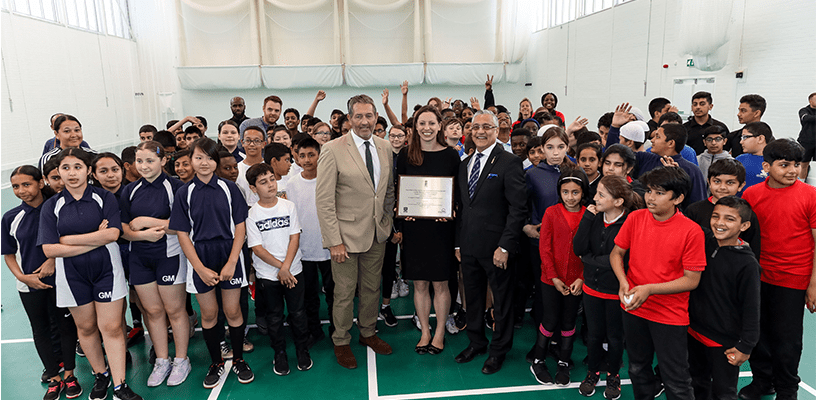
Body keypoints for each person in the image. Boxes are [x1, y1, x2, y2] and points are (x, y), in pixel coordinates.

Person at [38, 148, 143, 400]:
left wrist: (69, 240)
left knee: (112, 328)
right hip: (72, 276)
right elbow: (50, 248)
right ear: (59, 173)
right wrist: (95, 238)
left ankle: (120, 385)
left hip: (106, 270)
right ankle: (101, 375)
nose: (71, 173)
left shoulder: (104, 198)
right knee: (85, 328)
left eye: (77, 167)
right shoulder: (51, 206)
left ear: (87, 170)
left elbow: (112, 234)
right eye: (65, 168)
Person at [610, 166, 705, 400]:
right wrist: (623, 282)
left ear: (679, 198)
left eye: (660, 193)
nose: (650, 198)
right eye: (649, 191)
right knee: (637, 368)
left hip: (669, 315)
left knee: (676, 379)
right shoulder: (635, 217)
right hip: (634, 308)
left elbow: (692, 280)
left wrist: (650, 289)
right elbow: (616, 253)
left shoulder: (692, 232)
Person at [315, 94, 396, 369]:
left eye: (369, 116)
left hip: (377, 233)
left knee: (373, 288)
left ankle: (368, 332)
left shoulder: (385, 147)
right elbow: (324, 200)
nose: (364, 121)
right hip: (345, 238)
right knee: (345, 292)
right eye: (358, 116)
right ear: (349, 120)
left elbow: (387, 191)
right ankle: (341, 340)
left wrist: (387, 223)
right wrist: (334, 241)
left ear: (376, 118)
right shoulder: (333, 149)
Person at [168, 137, 254, 388]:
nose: (204, 163)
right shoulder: (184, 192)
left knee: (233, 310)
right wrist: (199, 268)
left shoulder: (230, 189)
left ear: (216, 161)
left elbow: (241, 228)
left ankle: (238, 359)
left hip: (229, 253)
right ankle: (216, 362)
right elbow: (182, 234)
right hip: (200, 256)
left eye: (209, 158)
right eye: (199, 158)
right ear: (191, 161)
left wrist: (231, 263)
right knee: (209, 313)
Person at [739, 138, 816, 400]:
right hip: (759, 276)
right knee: (758, 333)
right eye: (784, 165)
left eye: (796, 164)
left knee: (787, 340)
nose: (792, 170)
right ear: (767, 166)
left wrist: (813, 284)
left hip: (793, 278)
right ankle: (763, 381)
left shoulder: (810, 195)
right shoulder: (751, 195)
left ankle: (787, 388)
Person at [454, 110, 527, 375]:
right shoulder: (465, 164)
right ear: (470, 131)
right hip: (469, 247)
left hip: (498, 250)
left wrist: (505, 246)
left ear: (497, 130)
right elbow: (463, 209)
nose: (481, 132)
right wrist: (458, 244)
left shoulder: (509, 162)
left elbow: (518, 209)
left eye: (487, 126)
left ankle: (499, 351)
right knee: (472, 300)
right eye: (476, 127)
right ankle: (476, 343)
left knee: (501, 303)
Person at [3, 166, 81, 400]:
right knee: (41, 330)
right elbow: (9, 253)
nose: (21, 191)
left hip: (62, 280)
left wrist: (53, 260)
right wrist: (21, 276)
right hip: (29, 285)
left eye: (26, 184)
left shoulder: (58, 209)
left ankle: (69, 375)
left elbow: (68, 240)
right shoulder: (10, 217)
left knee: (66, 327)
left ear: (40, 183)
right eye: (16, 186)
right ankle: (54, 378)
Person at [119, 141, 191, 387]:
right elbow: (125, 229)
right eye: (140, 161)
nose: (144, 166)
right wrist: (142, 235)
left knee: (174, 310)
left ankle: (181, 359)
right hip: (140, 258)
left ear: (163, 161)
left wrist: (147, 221)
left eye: (150, 160)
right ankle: (162, 360)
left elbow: (181, 224)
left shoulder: (176, 188)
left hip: (169, 256)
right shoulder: (129, 191)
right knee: (153, 311)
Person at [397, 106, 460, 355]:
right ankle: (425, 330)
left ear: (439, 126)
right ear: (415, 127)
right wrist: (403, 210)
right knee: (420, 284)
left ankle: (440, 332)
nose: (426, 128)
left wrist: (452, 209)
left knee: (441, 284)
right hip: (414, 229)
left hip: (442, 230)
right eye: (421, 123)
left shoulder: (452, 156)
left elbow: (457, 195)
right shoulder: (404, 154)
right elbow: (399, 187)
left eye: (431, 123)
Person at [573, 175, 644, 399]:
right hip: (592, 290)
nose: (595, 198)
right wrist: (586, 218)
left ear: (618, 202)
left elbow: (624, 259)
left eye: (601, 195)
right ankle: (592, 372)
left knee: (615, 338)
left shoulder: (630, 223)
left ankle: (613, 375)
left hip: (616, 292)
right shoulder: (593, 216)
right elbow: (578, 249)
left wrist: (590, 259)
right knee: (593, 335)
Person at [688, 196, 760, 400]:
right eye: (715, 216)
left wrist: (745, 346)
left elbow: (752, 308)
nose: (719, 223)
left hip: (723, 343)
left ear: (744, 225)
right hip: (693, 332)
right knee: (696, 383)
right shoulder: (705, 242)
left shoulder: (747, 264)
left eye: (729, 219)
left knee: (724, 392)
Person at [245, 163, 312, 376]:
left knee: (298, 313)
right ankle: (280, 353)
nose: (270, 185)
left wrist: (286, 268)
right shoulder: (252, 214)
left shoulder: (288, 206)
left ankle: (302, 349)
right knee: (274, 317)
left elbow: (295, 237)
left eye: (272, 179)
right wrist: (280, 269)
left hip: (293, 271)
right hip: (268, 275)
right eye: (263, 182)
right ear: (253, 188)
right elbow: (257, 248)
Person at [530, 168, 588, 386]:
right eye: (565, 192)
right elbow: (544, 249)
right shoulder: (551, 213)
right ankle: (538, 359)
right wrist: (553, 277)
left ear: (583, 193)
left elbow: (590, 251)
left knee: (569, 320)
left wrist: (581, 278)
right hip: (551, 280)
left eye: (575, 192)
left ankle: (564, 362)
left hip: (575, 282)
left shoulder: (588, 216)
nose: (570, 197)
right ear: (559, 192)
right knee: (550, 319)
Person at [287, 138, 335, 345]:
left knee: (334, 293)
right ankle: (313, 330)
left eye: (311, 155)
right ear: (296, 157)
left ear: (319, 155)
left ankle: (337, 329)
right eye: (302, 155)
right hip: (303, 250)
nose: (307, 160)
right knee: (309, 296)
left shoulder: (330, 179)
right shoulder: (292, 183)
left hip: (330, 248)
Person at [684, 158, 761, 260]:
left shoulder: (747, 214)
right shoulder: (693, 210)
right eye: (717, 181)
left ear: (741, 186)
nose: (722, 187)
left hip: (733, 269)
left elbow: (753, 250)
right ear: (709, 182)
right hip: (698, 267)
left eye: (730, 183)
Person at [735, 121, 774, 194]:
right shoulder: (739, 159)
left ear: (760, 139)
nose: (741, 142)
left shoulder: (775, 162)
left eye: (745, 137)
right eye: (741, 138)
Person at [235, 126, 265, 207]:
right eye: (248, 140)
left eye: (257, 141)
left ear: (263, 144)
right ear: (242, 143)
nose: (252, 144)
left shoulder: (270, 168)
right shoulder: (236, 169)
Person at [798, 93, 816, 180]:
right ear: (810, 101)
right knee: (804, 164)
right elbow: (806, 118)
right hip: (806, 142)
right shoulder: (804, 110)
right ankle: (801, 183)